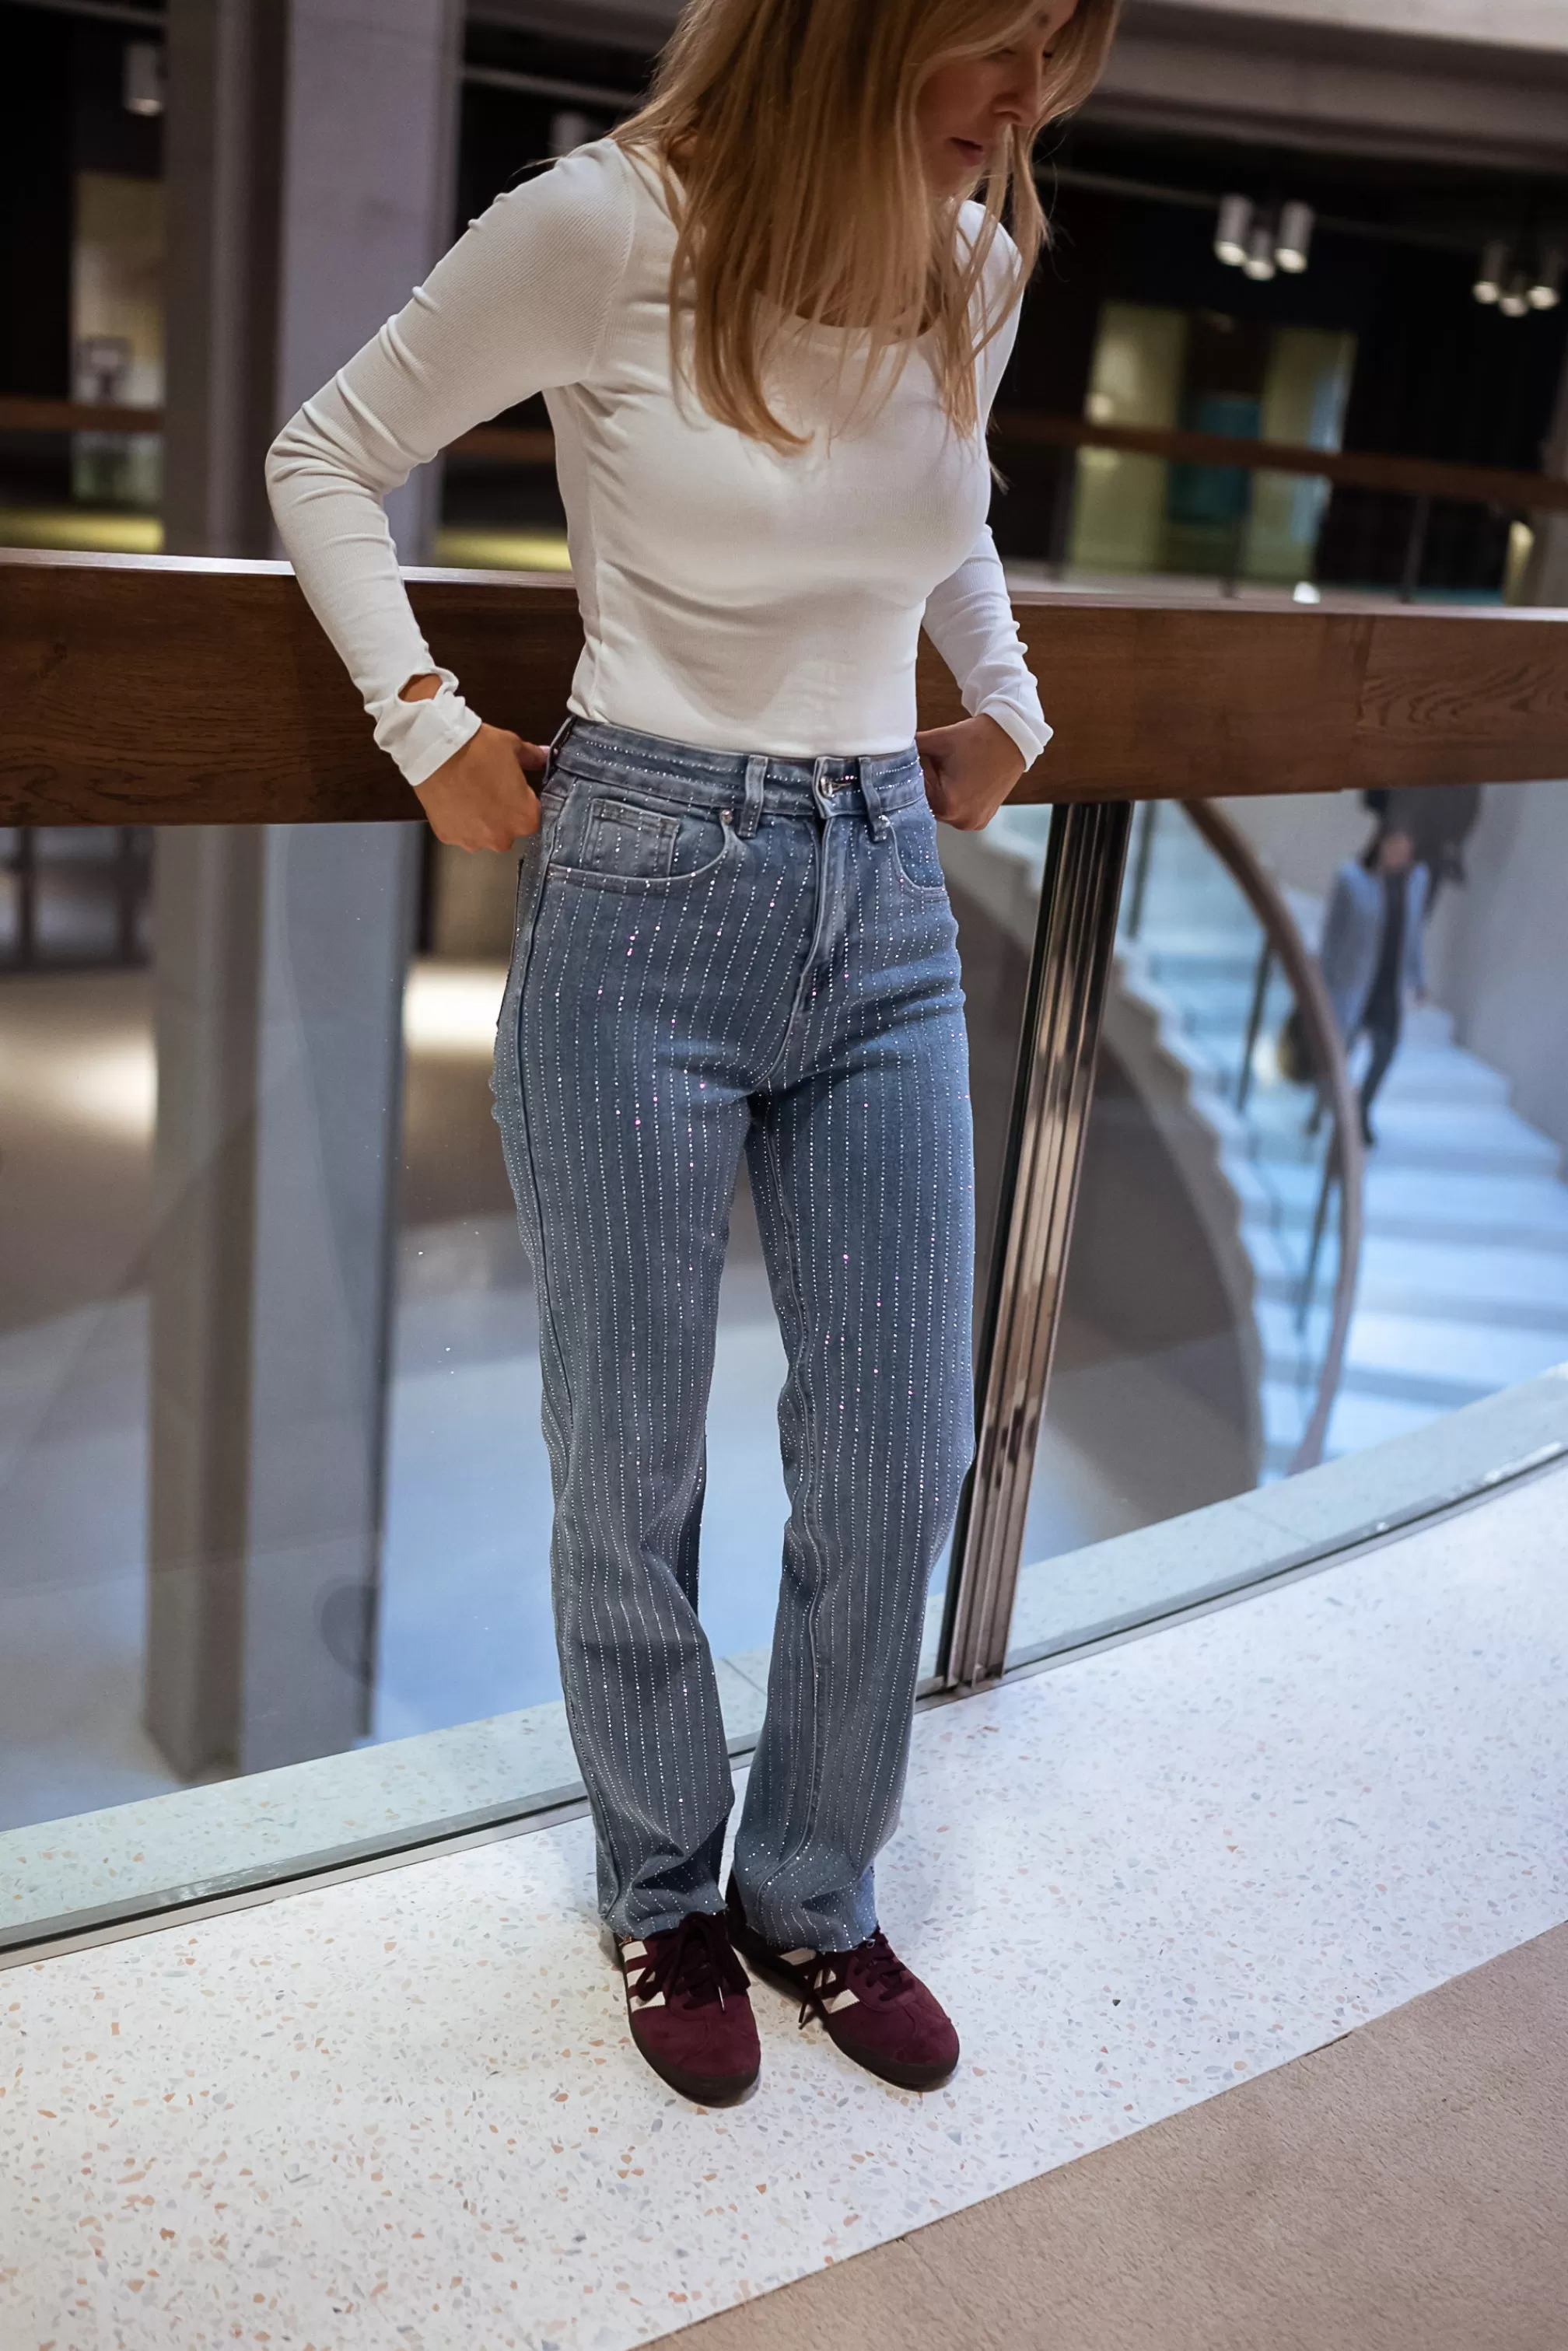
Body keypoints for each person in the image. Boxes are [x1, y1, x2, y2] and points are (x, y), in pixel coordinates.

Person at [267, 0, 1120, 2108]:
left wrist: (1012, 695)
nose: (1028, 102)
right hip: (640, 886)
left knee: (899, 1446)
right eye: (998, 46)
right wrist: (423, 722)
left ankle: (812, 1884)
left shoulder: (973, 262)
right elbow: (326, 457)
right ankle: (663, 1881)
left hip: (885, 891)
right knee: (631, 1454)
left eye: (1060, 51)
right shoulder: (605, 225)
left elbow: (947, 510)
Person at [1318, 825, 1429, 1147]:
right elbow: (1332, 934)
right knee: (1340, 1049)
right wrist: (1324, 980)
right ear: (1379, 844)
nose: (1399, 856)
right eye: (1394, 848)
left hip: (1388, 983)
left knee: (1386, 1049)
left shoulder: (1416, 881)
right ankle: (1322, 1108)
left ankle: (1362, 1108)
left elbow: (1413, 935)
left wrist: (1418, 977)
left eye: (1404, 850)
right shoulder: (1352, 879)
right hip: (1353, 980)